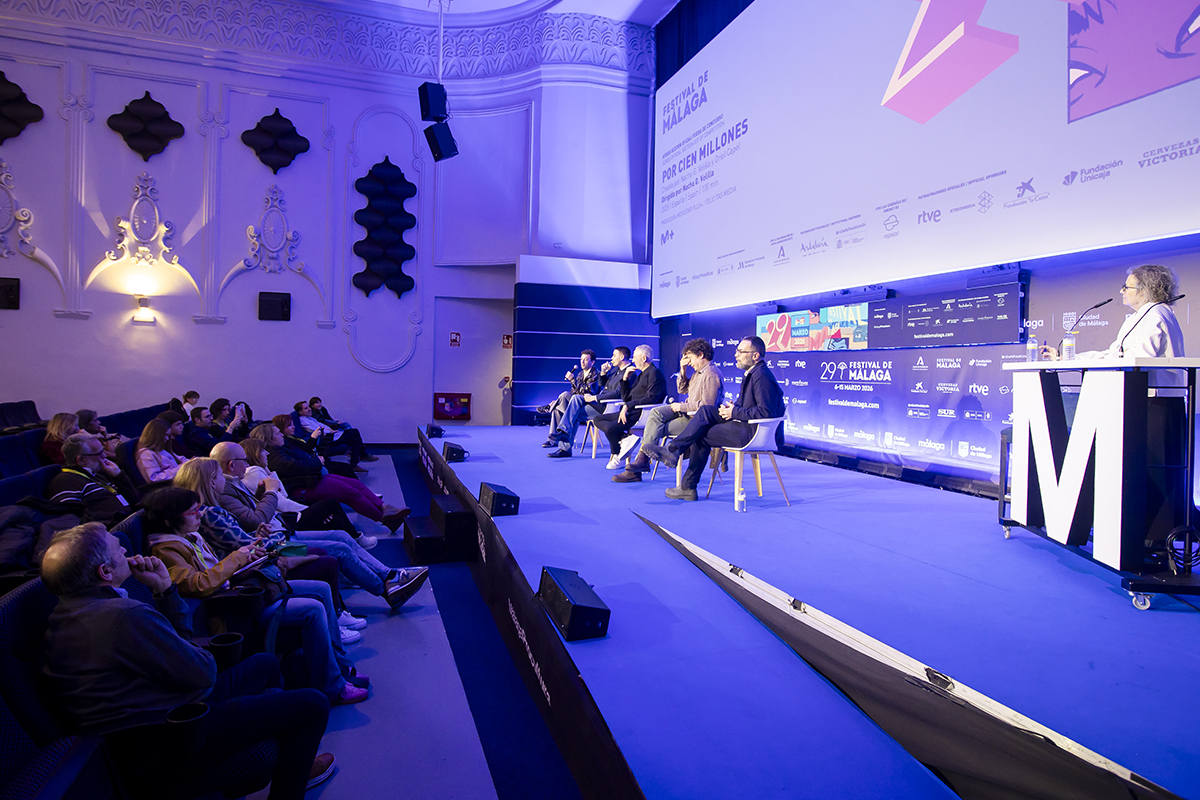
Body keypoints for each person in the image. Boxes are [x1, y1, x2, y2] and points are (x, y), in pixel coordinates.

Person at [40, 522, 336, 799]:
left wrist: (165, 589)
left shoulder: (62, 617)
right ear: (105, 572)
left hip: (152, 724)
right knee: (313, 705)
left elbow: (181, 656)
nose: (126, 551)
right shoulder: (123, 615)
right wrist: (168, 599)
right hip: (169, 738)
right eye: (118, 549)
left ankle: (296, 758)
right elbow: (203, 672)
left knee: (265, 664)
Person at [143, 486, 368, 705]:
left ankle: (340, 666)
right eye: (193, 511)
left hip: (273, 547)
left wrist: (254, 541)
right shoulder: (201, 523)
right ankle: (333, 685)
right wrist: (268, 495)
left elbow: (246, 536)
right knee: (323, 562)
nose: (199, 513)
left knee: (327, 568)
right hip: (256, 577)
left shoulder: (197, 529)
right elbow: (250, 525)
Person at [210, 442, 428, 613]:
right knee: (338, 548)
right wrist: (270, 492)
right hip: (277, 547)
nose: (247, 463)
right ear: (231, 465)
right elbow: (254, 521)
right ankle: (387, 590)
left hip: (280, 536)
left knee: (340, 535)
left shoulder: (235, 484)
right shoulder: (225, 493)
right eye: (243, 460)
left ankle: (390, 575)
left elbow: (254, 519)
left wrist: (262, 494)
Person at [642, 335, 785, 501]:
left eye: (741, 351)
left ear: (755, 355)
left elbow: (766, 412)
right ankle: (674, 454)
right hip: (744, 424)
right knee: (706, 412)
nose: (736, 355)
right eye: (737, 351)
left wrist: (734, 413)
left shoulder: (762, 376)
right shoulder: (752, 374)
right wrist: (732, 408)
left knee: (700, 432)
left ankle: (685, 480)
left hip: (753, 433)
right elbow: (746, 405)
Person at [253, 423, 409, 529]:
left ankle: (385, 507)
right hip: (303, 486)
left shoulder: (283, 447)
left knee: (355, 484)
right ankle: (383, 517)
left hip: (312, 478)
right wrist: (317, 462)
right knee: (350, 493)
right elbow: (295, 467)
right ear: (269, 438)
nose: (281, 434)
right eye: (278, 433)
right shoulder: (274, 454)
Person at [614, 338, 724, 482]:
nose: (688, 362)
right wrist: (683, 370)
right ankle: (642, 460)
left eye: (689, 358)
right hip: (687, 412)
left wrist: (681, 407)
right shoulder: (698, 373)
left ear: (701, 355)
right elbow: (682, 389)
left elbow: (707, 407)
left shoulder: (711, 373)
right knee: (656, 413)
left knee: (657, 427)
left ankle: (641, 463)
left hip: (697, 420)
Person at [1042, 264, 1185, 363]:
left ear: (1145, 291)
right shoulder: (1144, 314)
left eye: (1126, 287)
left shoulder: (1153, 313)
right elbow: (1113, 354)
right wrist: (1066, 358)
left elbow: (1140, 357)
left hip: (1153, 395)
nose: (1121, 291)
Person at [590, 344, 667, 471]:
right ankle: (624, 439)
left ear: (644, 358)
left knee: (610, 429)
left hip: (642, 414)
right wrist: (625, 379)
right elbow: (627, 397)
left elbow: (651, 398)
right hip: (632, 411)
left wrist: (627, 406)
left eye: (635, 357)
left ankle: (618, 456)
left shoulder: (655, 374)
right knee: (598, 419)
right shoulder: (642, 374)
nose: (633, 360)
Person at [544, 346, 631, 454]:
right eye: (581, 359)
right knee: (569, 406)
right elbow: (603, 384)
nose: (611, 358)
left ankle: (563, 438)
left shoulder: (629, 372)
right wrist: (604, 373)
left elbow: (617, 393)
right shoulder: (615, 370)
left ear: (622, 357)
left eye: (614, 355)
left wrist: (594, 397)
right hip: (598, 403)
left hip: (608, 406)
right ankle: (563, 438)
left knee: (572, 405)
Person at [45, 433, 140, 524]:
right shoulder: (64, 482)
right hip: (112, 529)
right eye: (100, 453)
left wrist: (118, 476)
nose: (105, 456)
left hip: (130, 520)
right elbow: (74, 520)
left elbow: (134, 501)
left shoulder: (98, 475)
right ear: (81, 460)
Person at [294, 400, 374, 471]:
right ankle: (362, 456)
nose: (309, 409)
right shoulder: (304, 421)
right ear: (300, 412)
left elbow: (322, 424)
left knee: (356, 439)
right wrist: (330, 431)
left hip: (330, 435)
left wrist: (330, 429)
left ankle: (355, 464)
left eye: (308, 407)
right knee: (354, 432)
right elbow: (317, 430)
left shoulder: (309, 418)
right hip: (326, 440)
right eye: (306, 408)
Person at [538, 349, 600, 426]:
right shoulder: (580, 374)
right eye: (581, 359)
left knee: (565, 395)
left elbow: (586, 392)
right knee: (556, 410)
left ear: (592, 362)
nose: (582, 362)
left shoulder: (596, 374)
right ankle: (556, 434)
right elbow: (574, 392)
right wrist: (560, 401)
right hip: (576, 401)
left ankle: (551, 407)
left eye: (586, 360)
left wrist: (572, 380)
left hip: (588, 402)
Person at [135, 418, 189, 483]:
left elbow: (180, 458)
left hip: (178, 479)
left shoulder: (161, 449)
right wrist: (181, 469)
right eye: (165, 435)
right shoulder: (146, 454)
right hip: (169, 485)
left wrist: (191, 463)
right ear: (156, 435)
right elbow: (154, 478)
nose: (167, 438)